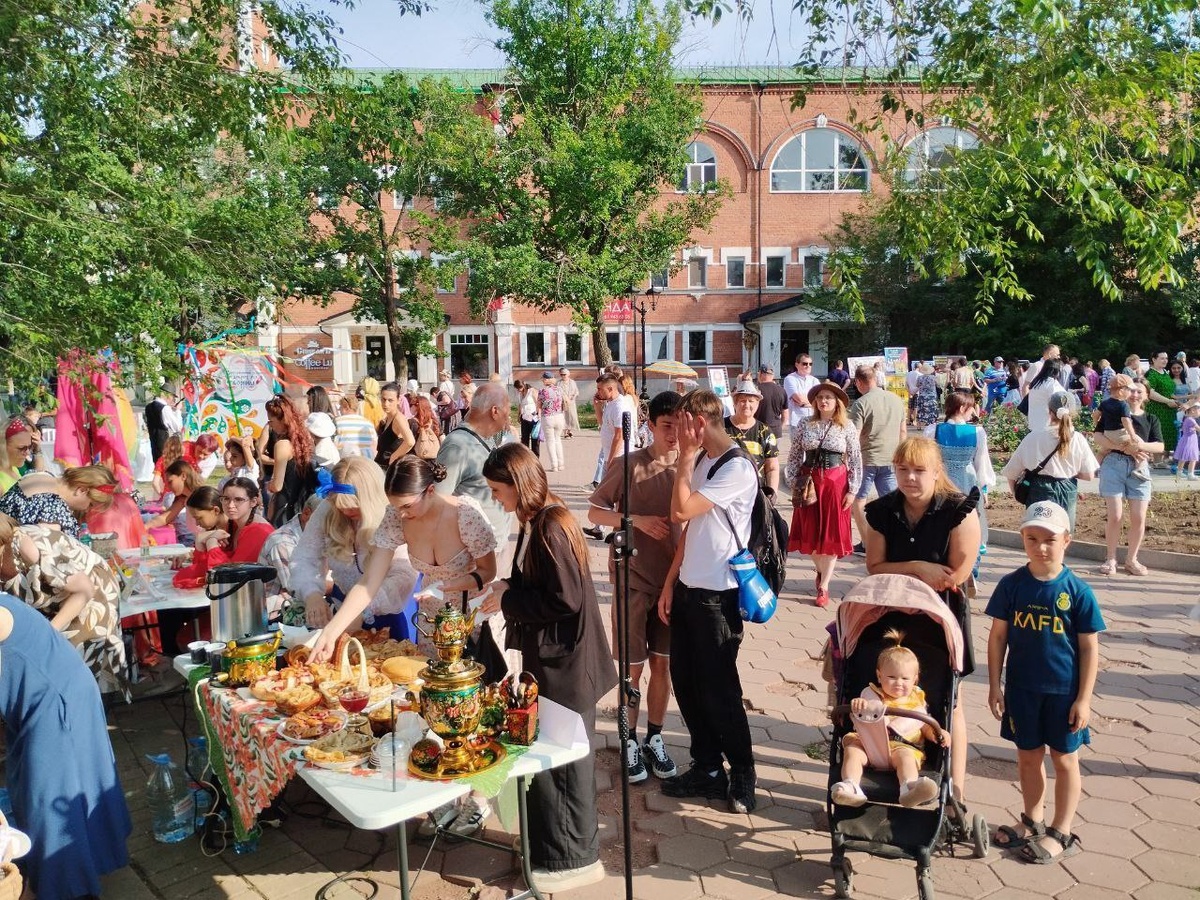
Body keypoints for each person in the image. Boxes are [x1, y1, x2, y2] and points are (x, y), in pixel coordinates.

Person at [479, 444, 615, 892]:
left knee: (566, 763)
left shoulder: (551, 526)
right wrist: (506, 585)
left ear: (518, 485)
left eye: (499, 490)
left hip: (568, 665)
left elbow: (565, 598)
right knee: (554, 759)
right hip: (556, 660)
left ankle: (570, 858)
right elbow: (538, 581)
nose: (497, 499)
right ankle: (554, 849)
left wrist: (509, 599)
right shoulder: (537, 521)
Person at [656, 389, 759, 813]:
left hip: (719, 595)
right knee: (688, 684)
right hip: (687, 588)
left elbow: (680, 511)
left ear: (699, 423)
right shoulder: (701, 461)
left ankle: (743, 774)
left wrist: (682, 460)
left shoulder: (736, 468)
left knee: (719, 691)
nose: (676, 434)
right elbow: (688, 531)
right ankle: (706, 768)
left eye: (682, 424)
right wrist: (668, 583)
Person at [985, 501, 1103, 863]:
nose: (1040, 546)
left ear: (1067, 540)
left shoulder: (1078, 591)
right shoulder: (1011, 585)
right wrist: (994, 685)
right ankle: (1032, 820)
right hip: (1022, 691)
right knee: (1027, 757)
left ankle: (1061, 831)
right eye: (1031, 537)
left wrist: (1083, 699)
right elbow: (997, 637)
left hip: (1063, 694)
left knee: (1065, 759)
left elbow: (1088, 648)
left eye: (1050, 539)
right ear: (1022, 538)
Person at [864, 436, 981, 799]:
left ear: (936, 472)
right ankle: (891, 763)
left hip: (940, 614)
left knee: (948, 697)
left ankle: (954, 785)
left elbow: (955, 573)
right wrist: (917, 567)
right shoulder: (882, 510)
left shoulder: (958, 508)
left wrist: (920, 575)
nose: (910, 478)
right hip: (894, 614)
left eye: (919, 470)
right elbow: (874, 567)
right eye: (902, 470)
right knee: (891, 687)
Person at [0, 592, 131, 898]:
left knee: (52, 804)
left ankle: (69, 887)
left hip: (56, 700)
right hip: (42, 698)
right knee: (36, 792)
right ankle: (64, 876)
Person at [588, 391, 682, 784]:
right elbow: (595, 511)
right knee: (632, 668)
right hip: (633, 579)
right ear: (651, 425)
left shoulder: (693, 467)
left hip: (674, 583)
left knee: (663, 664)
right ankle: (628, 740)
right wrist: (636, 520)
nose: (674, 435)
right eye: (667, 426)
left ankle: (655, 738)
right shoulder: (629, 463)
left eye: (680, 426)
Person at [0, 513, 128, 699]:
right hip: (58, 599)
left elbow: (84, 590)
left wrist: (47, 634)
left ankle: (87, 714)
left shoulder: (27, 547)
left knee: (73, 669)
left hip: (90, 596)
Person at [290, 457, 419, 630]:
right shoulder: (326, 511)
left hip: (384, 618)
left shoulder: (392, 516)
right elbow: (304, 557)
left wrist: (364, 609)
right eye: (338, 505)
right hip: (339, 610)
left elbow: (403, 574)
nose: (345, 511)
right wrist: (311, 594)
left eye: (353, 506)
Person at [830, 628, 950, 808]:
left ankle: (909, 788)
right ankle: (850, 786)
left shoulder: (917, 700)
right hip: (868, 743)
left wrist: (937, 734)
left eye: (905, 678)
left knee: (906, 758)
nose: (898, 683)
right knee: (852, 751)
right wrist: (858, 705)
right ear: (879, 676)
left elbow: (924, 725)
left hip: (902, 745)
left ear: (915, 680)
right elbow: (863, 708)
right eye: (891, 677)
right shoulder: (871, 693)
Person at [786, 382, 862, 607]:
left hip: (836, 483)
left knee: (830, 534)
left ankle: (824, 585)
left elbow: (855, 459)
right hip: (809, 482)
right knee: (811, 533)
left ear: (837, 401)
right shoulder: (804, 424)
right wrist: (792, 480)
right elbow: (794, 453)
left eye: (828, 397)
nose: (823, 401)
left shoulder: (846, 426)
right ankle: (820, 569)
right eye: (820, 397)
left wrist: (853, 489)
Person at [1093, 379, 1162, 576]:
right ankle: (1111, 558)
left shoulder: (1151, 419)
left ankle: (1132, 559)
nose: (1135, 394)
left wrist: (1138, 447)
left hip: (1139, 469)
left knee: (1138, 517)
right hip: (1114, 463)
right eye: (1131, 390)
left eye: (1139, 392)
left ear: (1146, 396)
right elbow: (1097, 436)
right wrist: (1122, 447)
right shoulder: (1114, 411)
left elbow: (1159, 446)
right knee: (1115, 515)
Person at [1002, 393, 1098, 529]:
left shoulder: (1033, 437)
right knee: (1062, 535)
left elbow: (1011, 472)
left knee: (1038, 532)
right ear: (1073, 413)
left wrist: (1017, 494)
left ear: (1049, 411)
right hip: (1066, 489)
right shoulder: (1078, 439)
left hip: (1038, 489)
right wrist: (1068, 471)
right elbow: (1089, 475)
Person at [926, 391, 995, 559]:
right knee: (968, 518)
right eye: (971, 407)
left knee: (942, 518)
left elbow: (926, 461)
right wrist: (984, 489)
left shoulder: (933, 430)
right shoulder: (977, 432)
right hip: (968, 481)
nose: (973, 412)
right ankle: (970, 562)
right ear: (963, 407)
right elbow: (982, 463)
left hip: (942, 481)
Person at [170, 480, 275, 589]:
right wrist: (200, 544)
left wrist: (211, 542)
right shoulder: (235, 525)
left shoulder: (258, 531)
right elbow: (204, 571)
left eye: (238, 500)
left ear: (253, 502)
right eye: (226, 499)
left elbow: (228, 577)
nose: (230, 505)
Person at [849, 364, 907, 555]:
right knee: (891, 500)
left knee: (858, 499)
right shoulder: (896, 400)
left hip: (867, 459)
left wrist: (848, 460)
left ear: (858, 382)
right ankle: (895, 540)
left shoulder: (861, 403)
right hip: (891, 458)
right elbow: (903, 431)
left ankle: (867, 544)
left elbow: (853, 436)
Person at [1, 465, 118, 539]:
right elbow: (50, 558)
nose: (87, 509)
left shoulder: (39, 476)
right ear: (81, 490)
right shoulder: (54, 510)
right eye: (90, 504)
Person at [264, 395, 316, 527]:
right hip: (302, 501)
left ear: (283, 421)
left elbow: (277, 485)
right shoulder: (304, 440)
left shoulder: (282, 445)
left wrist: (267, 485)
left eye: (271, 421)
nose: (270, 425)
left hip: (285, 504)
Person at [259, 494, 323, 598]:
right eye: (327, 520)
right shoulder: (282, 542)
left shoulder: (317, 536)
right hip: (283, 609)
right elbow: (298, 588)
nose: (333, 527)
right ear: (306, 513)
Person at [723, 378, 779, 492]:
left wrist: (772, 493)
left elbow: (772, 467)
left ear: (758, 404)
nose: (747, 405)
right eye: (742, 400)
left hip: (756, 492)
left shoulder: (765, 431)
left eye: (751, 401)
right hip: (725, 490)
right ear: (735, 403)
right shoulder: (721, 427)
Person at [1095, 374, 1151, 481]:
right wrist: (1132, 435)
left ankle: (1095, 468)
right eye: (1130, 390)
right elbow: (1125, 421)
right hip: (1120, 433)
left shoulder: (1105, 402)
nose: (1132, 393)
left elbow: (1095, 415)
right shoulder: (1123, 405)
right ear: (1121, 391)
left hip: (1107, 434)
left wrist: (1096, 422)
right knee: (1139, 445)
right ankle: (1140, 469)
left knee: (1103, 451)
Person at [144, 459, 202, 543]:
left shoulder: (202, 496)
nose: (168, 486)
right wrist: (145, 526)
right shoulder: (182, 498)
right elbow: (165, 518)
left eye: (170, 482)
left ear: (183, 476)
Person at [1143, 350, 1180, 452]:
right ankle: (1157, 460)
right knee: (1158, 433)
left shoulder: (1165, 373)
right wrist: (1167, 401)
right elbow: (1150, 392)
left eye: (1166, 358)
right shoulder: (1151, 374)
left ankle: (1164, 458)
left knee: (1168, 433)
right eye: (1162, 358)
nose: (1165, 360)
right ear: (1154, 359)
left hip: (1169, 410)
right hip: (1157, 409)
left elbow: (1170, 391)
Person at [374, 382, 416, 469]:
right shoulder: (387, 417)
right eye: (383, 399)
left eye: (390, 400)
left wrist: (393, 457)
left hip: (388, 468)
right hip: (380, 466)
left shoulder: (398, 418)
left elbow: (410, 442)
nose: (386, 404)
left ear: (398, 400)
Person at [1024, 358, 1070, 432]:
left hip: (1033, 423)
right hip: (1048, 425)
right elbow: (1061, 402)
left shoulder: (1037, 383)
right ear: (1056, 371)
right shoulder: (1052, 384)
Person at [783, 353, 820, 438]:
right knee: (797, 450)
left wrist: (805, 403)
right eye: (804, 364)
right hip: (797, 421)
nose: (808, 366)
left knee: (812, 450)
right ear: (797, 364)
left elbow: (819, 400)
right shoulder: (790, 379)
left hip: (813, 420)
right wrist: (812, 401)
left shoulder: (815, 380)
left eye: (810, 364)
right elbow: (798, 399)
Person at [537, 372, 566, 472]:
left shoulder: (542, 391)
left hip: (548, 417)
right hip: (559, 416)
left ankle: (554, 465)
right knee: (558, 440)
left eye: (543, 379)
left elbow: (539, 406)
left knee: (550, 441)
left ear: (545, 380)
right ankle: (561, 464)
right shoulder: (559, 389)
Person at [335, 392, 377, 460]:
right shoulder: (368, 423)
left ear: (346, 407)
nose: (339, 410)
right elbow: (374, 444)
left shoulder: (337, 422)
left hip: (347, 462)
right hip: (367, 462)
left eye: (340, 407)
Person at [753, 363, 788, 440]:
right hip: (776, 431)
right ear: (772, 376)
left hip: (758, 431)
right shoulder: (782, 390)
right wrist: (780, 427)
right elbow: (785, 414)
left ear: (760, 374)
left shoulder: (755, 390)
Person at [410, 394, 442, 461]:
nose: (409, 407)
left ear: (417, 407)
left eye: (411, 405)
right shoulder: (434, 421)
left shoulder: (412, 422)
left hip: (417, 458)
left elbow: (410, 443)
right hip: (434, 457)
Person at [1175, 403, 1200, 479]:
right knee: (1193, 458)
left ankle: (1179, 472)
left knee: (1183, 457)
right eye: (1199, 410)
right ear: (1193, 410)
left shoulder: (1187, 418)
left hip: (1187, 440)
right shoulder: (1191, 420)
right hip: (1190, 441)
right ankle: (1190, 474)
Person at [913, 363, 940, 427]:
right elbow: (938, 385)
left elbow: (917, 385)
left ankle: (919, 425)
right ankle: (932, 424)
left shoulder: (920, 378)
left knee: (921, 410)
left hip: (922, 396)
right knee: (932, 410)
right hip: (932, 396)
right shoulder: (934, 377)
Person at [559, 367, 580, 438]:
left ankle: (570, 431)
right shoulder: (559, 383)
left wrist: (573, 397)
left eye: (564, 374)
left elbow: (576, 391)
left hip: (571, 402)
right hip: (563, 403)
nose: (563, 376)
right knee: (564, 417)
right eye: (561, 374)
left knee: (572, 417)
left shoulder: (572, 382)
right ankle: (565, 432)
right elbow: (558, 392)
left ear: (568, 374)